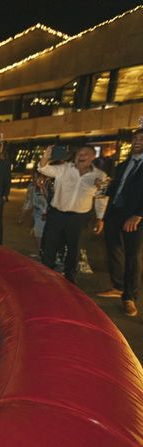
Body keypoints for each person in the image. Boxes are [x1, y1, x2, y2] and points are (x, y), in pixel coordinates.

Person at [38, 145, 107, 284]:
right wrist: (46, 157)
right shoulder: (64, 168)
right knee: (49, 246)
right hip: (57, 214)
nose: (81, 156)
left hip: (79, 218)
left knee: (74, 249)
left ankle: (69, 279)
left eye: (85, 154)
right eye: (79, 154)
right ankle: (45, 276)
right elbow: (43, 169)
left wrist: (100, 218)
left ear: (93, 157)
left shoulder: (100, 176)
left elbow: (101, 198)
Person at [96, 129, 143, 316]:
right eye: (135, 138)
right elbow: (116, 188)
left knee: (133, 256)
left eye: (142, 138)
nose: (138, 141)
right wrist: (105, 188)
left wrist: (139, 215)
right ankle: (118, 286)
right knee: (113, 249)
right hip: (115, 213)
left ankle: (129, 297)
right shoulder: (123, 164)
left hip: (135, 217)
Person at [18, 170, 50, 250]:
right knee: (38, 234)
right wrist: (22, 216)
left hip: (49, 214)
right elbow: (28, 201)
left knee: (48, 235)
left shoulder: (48, 186)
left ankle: (50, 253)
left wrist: (42, 188)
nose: (35, 179)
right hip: (38, 213)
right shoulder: (31, 187)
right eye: (34, 177)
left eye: (37, 177)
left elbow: (51, 200)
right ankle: (41, 252)